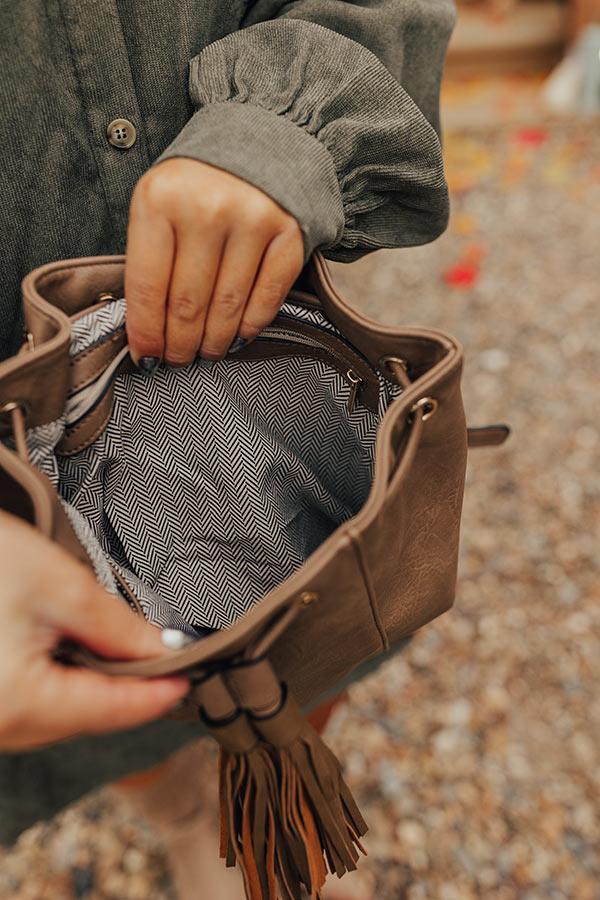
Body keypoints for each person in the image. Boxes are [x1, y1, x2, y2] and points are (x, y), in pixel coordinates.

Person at [0, 1, 455, 896]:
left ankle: (242, 799)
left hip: (267, 323)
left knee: (323, 622)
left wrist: (275, 134)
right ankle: (182, 806)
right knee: (99, 692)